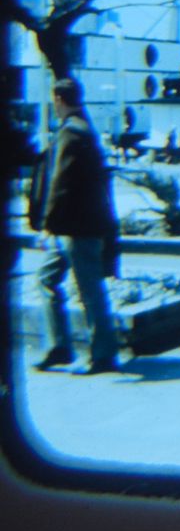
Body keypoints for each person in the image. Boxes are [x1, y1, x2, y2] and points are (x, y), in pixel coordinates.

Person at [30, 77, 122, 374]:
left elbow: (61, 183)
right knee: (48, 279)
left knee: (88, 290)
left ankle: (103, 355)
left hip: (76, 229)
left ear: (59, 99)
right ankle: (60, 348)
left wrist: (47, 225)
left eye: (54, 101)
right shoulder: (84, 129)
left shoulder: (71, 133)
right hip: (78, 227)